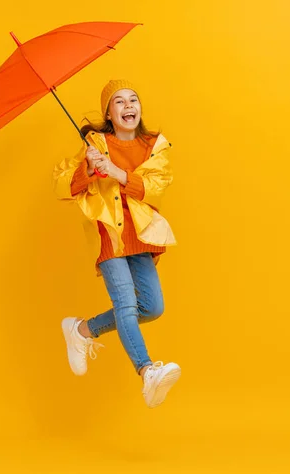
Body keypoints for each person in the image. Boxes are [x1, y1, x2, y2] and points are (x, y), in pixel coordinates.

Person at [52, 79, 180, 408]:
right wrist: (90, 169)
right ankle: (147, 370)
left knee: (152, 307)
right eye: (119, 102)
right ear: (109, 113)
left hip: (140, 235)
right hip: (109, 233)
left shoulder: (155, 145)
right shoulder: (97, 144)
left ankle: (83, 330)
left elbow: (157, 185)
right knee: (125, 304)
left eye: (133, 100)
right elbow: (64, 185)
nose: (128, 106)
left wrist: (118, 172)